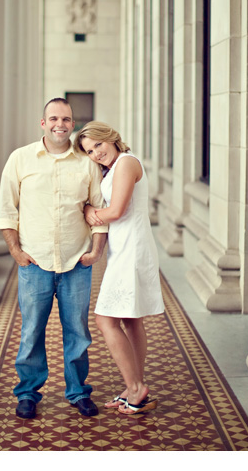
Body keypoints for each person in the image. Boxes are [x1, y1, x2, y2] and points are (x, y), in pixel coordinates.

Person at [0, 98, 108, 420]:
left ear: (72, 124)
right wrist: (16, 252)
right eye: (54, 118)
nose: (61, 124)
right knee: (32, 331)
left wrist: (96, 252)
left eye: (67, 119)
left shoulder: (86, 164)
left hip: (76, 263)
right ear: (43, 123)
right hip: (35, 263)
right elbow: (7, 211)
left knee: (78, 332)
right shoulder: (20, 159)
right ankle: (28, 393)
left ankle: (78, 392)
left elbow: (99, 210)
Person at [75, 121, 165, 416]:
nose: (96, 153)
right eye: (89, 151)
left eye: (98, 145)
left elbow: (116, 212)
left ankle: (137, 388)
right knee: (131, 320)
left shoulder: (126, 162)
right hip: (125, 247)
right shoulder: (115, 167)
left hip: (132, 249)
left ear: (110, 138)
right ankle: (134, 385)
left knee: (105, 320)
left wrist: (90, 212)